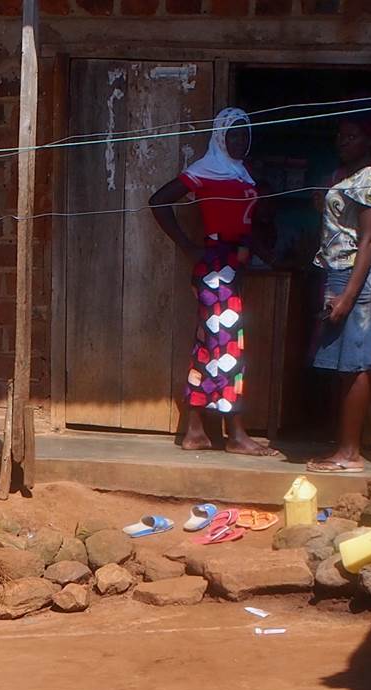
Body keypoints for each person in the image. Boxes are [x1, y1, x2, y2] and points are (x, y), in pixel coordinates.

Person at [150, 107, 281, 457]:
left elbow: (245, 227)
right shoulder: (204, 171)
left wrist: (266, 255)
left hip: (232, 269)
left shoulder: (241, 173)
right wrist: (188, 246)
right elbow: (159, 201)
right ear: (220, 136)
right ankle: (236, 435)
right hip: (215, 270)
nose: (240, 140)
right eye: (233, 134)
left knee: (210, 348)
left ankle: (195, 431)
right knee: (228, 348)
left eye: (244, 134)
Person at [308, 115, 371, 473]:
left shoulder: (370, 179)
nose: (343, 140)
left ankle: (350, 454)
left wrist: (347, 297)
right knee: (341, 367)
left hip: (355, 277)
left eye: (352, 135)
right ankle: (342, 447)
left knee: (355, 365)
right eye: (340, 135)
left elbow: (368, 241)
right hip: (336, 274)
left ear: (368, 140)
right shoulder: (342, 176)